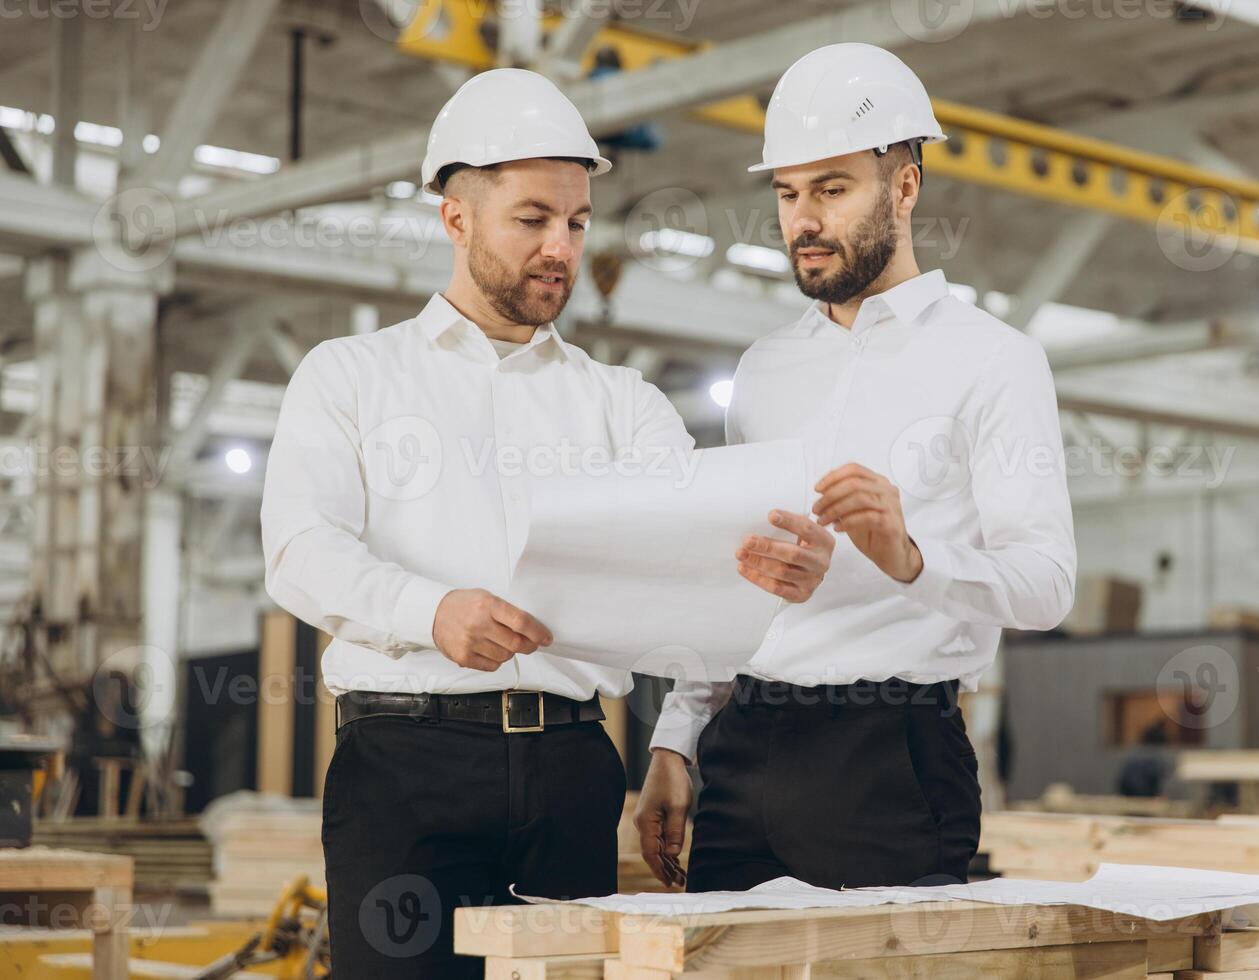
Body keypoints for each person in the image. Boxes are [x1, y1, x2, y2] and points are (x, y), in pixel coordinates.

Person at [260, 69, 832, 978]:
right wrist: (430, 611)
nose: (559, 247)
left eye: (576, 222)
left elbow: (701, 566)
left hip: (570, 767)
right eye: (531, 219)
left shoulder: (624, 405)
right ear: (455, 218)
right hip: (404, 767)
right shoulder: (349, 376)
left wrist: (680, 734)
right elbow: (300, 550)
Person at [635, 43, 1077, 892]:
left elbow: (1047, 585)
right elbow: (740, 580)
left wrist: (910, 558)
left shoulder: (995, 360)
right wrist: (676, 739)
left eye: (832, 190)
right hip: (746, 749)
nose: (803, 220)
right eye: (788, 193)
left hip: (891, 762)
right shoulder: (764, 368)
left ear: (905, 186)